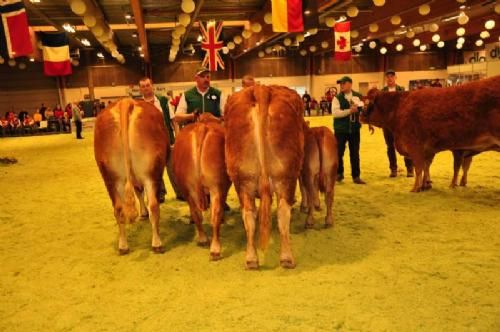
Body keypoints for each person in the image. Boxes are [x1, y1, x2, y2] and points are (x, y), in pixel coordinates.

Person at [174, 67, 230, 211]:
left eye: (208, 76)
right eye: (203, 76)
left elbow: (226, 116)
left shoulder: (218, 94)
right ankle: (194, 204)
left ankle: (220, 200)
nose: (206, 79)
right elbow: (178, 116)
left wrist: (215, 119)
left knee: (221, 169)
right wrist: (192, 116)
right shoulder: (187, 95)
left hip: (214, 138)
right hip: (193, 137)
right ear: (196, 79)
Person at [139, 77, 181, 202]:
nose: (146, 88)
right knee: (155, 169)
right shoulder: (138, 105)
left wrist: (177, 137)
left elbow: (174, 120)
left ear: (152, 86)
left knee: (173, 167)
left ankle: (180, 192)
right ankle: (160, 194)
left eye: (147, 85)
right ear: (140, 89)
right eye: (143, 86)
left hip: (168, 139)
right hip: (149, 143)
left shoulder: (163, 100)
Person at [332, 76, 366, 184]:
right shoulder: (336, 98)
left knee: (355, 153)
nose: (341, 85)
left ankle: (356, 176)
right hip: (340, 130)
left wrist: (361, 110)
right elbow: (335, 113)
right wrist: (350, 111)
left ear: (350, 84)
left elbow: (363, 110)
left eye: (343, 83)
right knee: (338, 153)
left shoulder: (358, 96)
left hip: (355, 129)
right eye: (340, 84)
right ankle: (339, 173)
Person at [382, 70, 413, 178]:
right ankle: (393, 169)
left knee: (405, 145)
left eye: (392, 76)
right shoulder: (382, 92)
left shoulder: (402, 90)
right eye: (388, 77)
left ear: (395, 77)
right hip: (387, 125)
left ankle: (410, 169)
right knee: (390, 147)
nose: (390, 78)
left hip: (401, 124)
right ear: (386, 79)